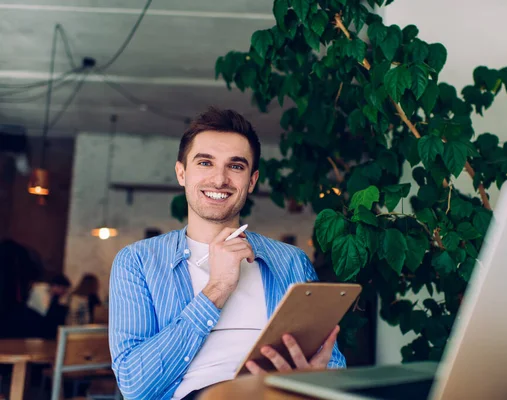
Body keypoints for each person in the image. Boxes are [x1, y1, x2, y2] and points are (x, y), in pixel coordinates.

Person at [109, 108, 346, 400]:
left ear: (252, 180)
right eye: (205, 162)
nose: (220, 179)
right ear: (182, 173)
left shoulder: (290, 261)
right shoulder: (138, 262)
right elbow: (134, 386)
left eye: (235, 166)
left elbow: (330, 360)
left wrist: (319, 379)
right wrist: (217, 288)